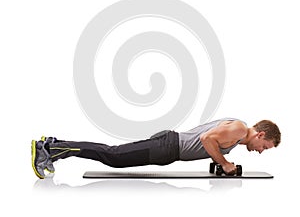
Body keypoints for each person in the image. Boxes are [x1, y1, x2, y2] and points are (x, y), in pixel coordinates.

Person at [31, 118, 281, 179]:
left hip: (169, 148)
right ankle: (51, 149)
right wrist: (225, 164)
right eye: (265, 146)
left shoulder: (237, 136)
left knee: (113, 154)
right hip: (167, 147)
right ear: (260, 134)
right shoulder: (239, 129)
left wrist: (221, 163)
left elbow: (209, 142)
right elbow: (206, 139)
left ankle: (55, 145)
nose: (261, 151)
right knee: (113, 156)